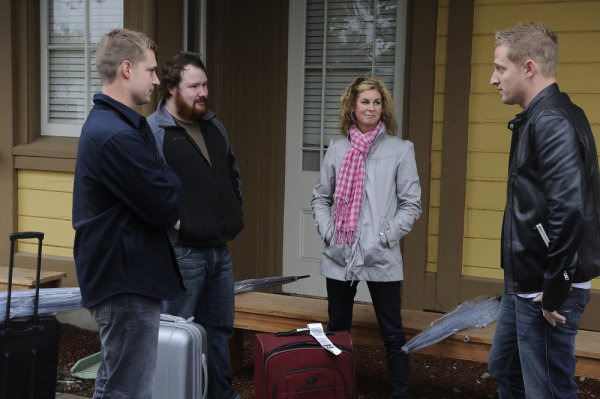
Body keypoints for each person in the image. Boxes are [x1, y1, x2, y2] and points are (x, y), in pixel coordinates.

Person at [487, 22, 600, 399]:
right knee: (503, 366)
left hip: (547, 287)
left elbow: (569, 210)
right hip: (528, 281)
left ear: (529, 68)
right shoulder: (540, 116)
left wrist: (554, 289)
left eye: (501, 68)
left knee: (547, 390)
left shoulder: (551, 121)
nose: (493, 79)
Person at [72, 29, 185, 399]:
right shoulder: (115, 135)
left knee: (123, 385)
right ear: (126, 69)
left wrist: (160, 174)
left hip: (127, 275)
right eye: (150, 70)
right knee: (126, 389)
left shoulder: (120, 126)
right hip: (125, 280)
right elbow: (166, 204)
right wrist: (167, 176)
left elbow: (159, 190)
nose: (157, 80)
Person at [312, 75, 422, 398]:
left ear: (383, 107)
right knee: (337, 329)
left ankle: (400, 393)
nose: (371, 108)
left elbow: (411, 203)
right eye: (365, 102)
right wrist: (331, 234)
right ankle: (342, 389)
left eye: (377, 102)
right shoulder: (337, 148)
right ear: (352, 107)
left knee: (392, 332)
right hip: (341, 252)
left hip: (380, 253)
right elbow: (321, 198)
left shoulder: (400, 149)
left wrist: (387, 236)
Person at [147, 52, 244, 399]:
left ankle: (222, 394)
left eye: (205, 84)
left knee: (219, 333)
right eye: (194, 86)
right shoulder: (153, 132)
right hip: (182, 253)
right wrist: (176, 224)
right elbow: (144, 192)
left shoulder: (213, 126)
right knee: (177, 337)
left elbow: (232, 175)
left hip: (220, 251)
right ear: (171, 89)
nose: (203, 92)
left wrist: (234, 209)